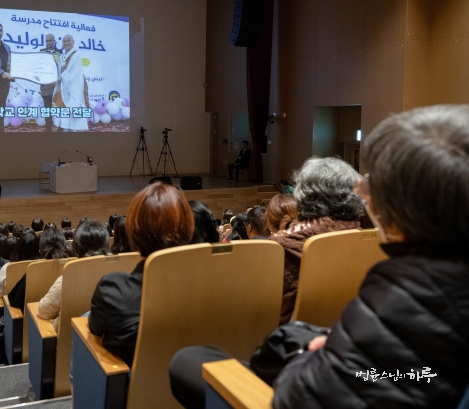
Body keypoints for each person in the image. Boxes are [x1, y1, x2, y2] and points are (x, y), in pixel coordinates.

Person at [172, 104, 469, 409]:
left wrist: (313, 356)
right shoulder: (423, 277)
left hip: (300, 385)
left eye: (373, 184)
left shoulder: (406, 293)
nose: (366, 195)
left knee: (188, 361)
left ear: (401, 207)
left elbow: (301, 395)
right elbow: (408, 374)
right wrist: (341, 346)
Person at [86, 183, 194, 367]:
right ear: (188, 228)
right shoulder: (211, 287)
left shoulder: (113, 291)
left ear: (134, 232)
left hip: (130, 383)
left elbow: (95, 329)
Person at [271, 157, 364, 324]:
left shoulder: (279, 244)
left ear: (304, 195)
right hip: (351, 324)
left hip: (296, 333)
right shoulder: (366, 237)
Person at [38, 222, 108, 331]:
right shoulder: (117, 275)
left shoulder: (67, 281)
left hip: (68, 339)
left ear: (75, 251)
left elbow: (43, 311)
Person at [53, 34, 89, 132]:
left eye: (68, 40)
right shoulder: (62, 56)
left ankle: (77, 129)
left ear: (73, 42)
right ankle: (64, 127)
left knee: (74, 105)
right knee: (63, 106)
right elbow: (60, 70)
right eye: (64, 41)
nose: (66, 43)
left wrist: (61, 77)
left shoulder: (76, 55)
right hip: (63, 85)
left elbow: (73, 71)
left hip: (74, 85)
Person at [0, 232, 39, 297]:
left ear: (18, 248)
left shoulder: (7, 268)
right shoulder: (46, 266)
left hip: (11, 303)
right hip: (38, 302)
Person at [39, 33, 61, 131]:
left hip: (58, 84)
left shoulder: (60, 52)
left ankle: (60, 126)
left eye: (50, 40)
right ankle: (48, 127)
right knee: (47, 106)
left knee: (59, 106)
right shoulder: (41, 52)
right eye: (47, 41)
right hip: (46, 84)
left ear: (54, 41)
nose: (48, 42)